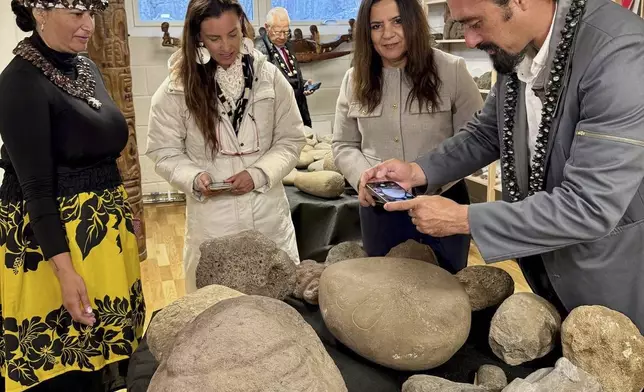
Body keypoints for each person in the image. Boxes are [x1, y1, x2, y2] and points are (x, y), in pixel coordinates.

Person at [358, 0, 644, 331]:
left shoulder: (620, 55)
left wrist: (465, 219)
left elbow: (590, 205)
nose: (469, 40)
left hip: (610, 281)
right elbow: (488, 133)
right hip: (544, 271)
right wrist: (419, 171)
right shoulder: (519, 49)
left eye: (475, 22)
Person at [0, 0, 146, 391]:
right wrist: (65, 273)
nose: (88, 26)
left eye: (90, 14)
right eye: (76, 15)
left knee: (109, 358)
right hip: (56, 247)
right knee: (69, 365)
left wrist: (119, 216)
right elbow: (36, 190)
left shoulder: (85, 66)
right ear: (40, 13)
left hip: (101, 239)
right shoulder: (19, 82)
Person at [146, 0, 305, 293]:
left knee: (278, 310)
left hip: (267, 215)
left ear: (242, 27)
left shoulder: (268, 77)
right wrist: (193, 176)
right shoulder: (176, 88)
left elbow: (291, 139)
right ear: (197, 38)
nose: (226, 46)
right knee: (217, 312)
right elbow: (162, 150)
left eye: (232, 34)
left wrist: (258, 173)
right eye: (214, 38)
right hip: (213, 222)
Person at [332, 0, 483, 273]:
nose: (387, 34)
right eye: (376, 26)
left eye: (397, 21)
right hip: (379, 210)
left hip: (442, 204)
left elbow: (477, 140)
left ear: (414, 21)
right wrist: (363, 179)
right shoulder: (354, 80)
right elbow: (344, 145)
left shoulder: (453, 70)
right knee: (385, 294)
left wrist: (431, 177)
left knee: (447, 293)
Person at [255, 7, 317, 128]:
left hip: (297, 109)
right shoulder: (260, 49)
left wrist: (303, 84)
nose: (283, 36)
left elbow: (290, 76)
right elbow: (266, 85)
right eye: (278, 32)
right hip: (278, 116)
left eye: (286, 32)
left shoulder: (288, 45)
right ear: (267, 27)